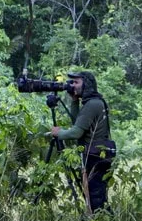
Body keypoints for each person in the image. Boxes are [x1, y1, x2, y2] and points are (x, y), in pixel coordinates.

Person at [47, 70, 113, 213]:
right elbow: (79, 122)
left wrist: (59, 133)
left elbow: (76, 132)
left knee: (96, 197)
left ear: (87, 85)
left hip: (95, 156)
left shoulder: (92, 104)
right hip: (97, 154)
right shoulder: (93, 102)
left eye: (76, 82)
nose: (72, 85)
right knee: (95, 195)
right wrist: (74, 101)